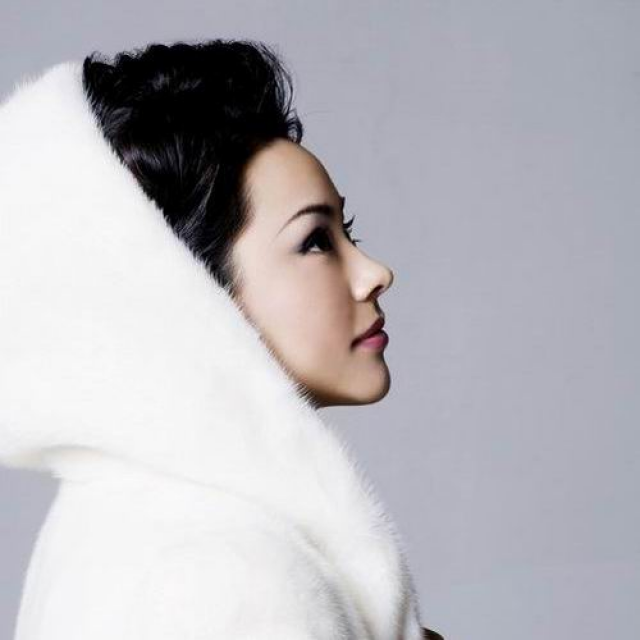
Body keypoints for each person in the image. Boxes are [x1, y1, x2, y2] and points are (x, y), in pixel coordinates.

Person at [0, 40, 443, 640]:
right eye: (315, 241)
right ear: (193, 292)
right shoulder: (227, 573)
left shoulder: (125, 517)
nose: (374, 273)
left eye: (349, 232)